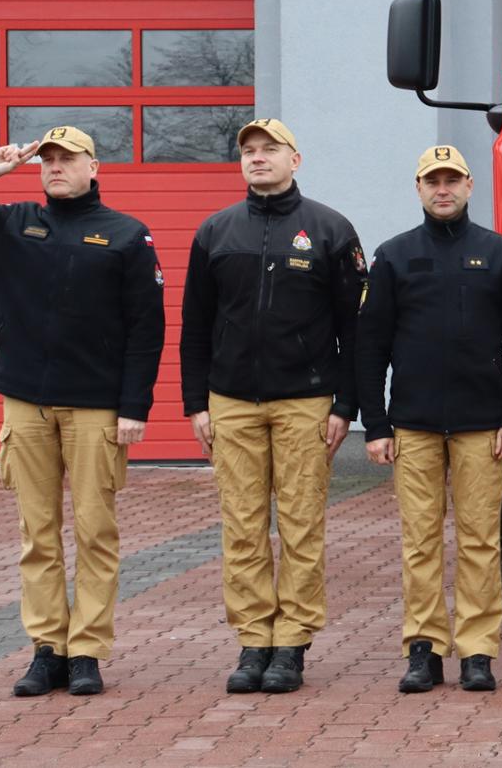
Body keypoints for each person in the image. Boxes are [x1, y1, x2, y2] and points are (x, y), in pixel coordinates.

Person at [0, 126, 163, 697]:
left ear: (93, 166)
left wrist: (134, 406)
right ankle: (48, 649)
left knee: (96, 532)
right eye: (47, 159)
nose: (55, 167)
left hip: (97, 410)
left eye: (67, 159)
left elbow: (147, 329)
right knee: (38, 534)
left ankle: (87, 653)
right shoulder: (8, 224)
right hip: (25, 402)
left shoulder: (126, 235)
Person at [180, 118, 367, 694]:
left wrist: (346, 405)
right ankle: (253, 640)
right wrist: (197, 403)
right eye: (250, 152)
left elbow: (356, 328)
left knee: (302, 525)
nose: (258, 159)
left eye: (270, 150)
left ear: (296, 159)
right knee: (242, 527)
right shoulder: (216, 232)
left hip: (305, 402)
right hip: (231, 401)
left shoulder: (330, 230)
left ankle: (292, 643)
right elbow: (194, 327)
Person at [357, 145, 502, 693]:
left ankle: (478, 650)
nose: (443, 189)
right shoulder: (393, 256)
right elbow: (371, 347)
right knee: (420, 540)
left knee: (482, 541)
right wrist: (378, 424)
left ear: (469, 187)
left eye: (452, 180)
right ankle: (425, 648)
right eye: (432, 181)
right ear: (418, 189)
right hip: (412, 425)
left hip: (483, 426)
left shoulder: (501, 254)